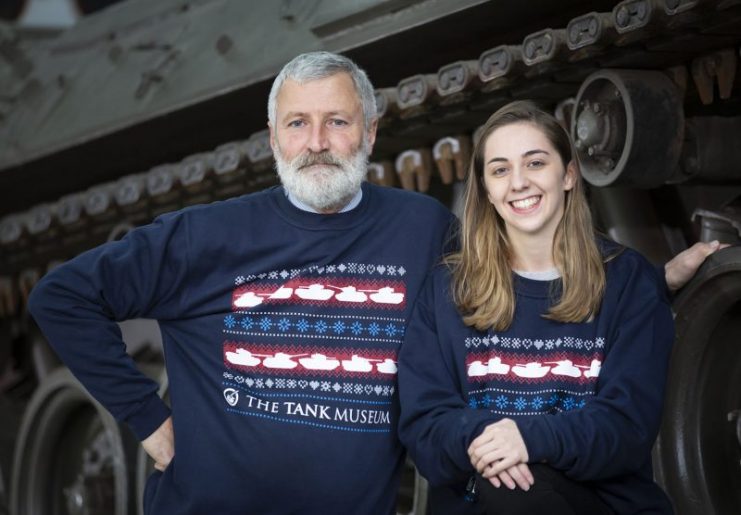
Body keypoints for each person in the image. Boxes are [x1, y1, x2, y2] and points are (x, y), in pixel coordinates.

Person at [27, 51, 715, 515]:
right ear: (272, 138)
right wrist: (147, 418)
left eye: (336, 121)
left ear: (369, 132)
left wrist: (639, 281)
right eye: (298, 123)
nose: (317, 140)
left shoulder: (418, 228)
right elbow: (61, 296)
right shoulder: (207, 234)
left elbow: (518, 258)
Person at [397, 101, 678, 515]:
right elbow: (424, 426)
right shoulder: (447, 291)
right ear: (487, 191)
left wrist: (528, 438)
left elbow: (627, 426)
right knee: (508, 492)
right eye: (500, 170)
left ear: (567, 174)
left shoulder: (625, 281)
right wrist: (493, 440)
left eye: (535, 163)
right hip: (485, 503)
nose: (518, 183)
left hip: (599, 506)